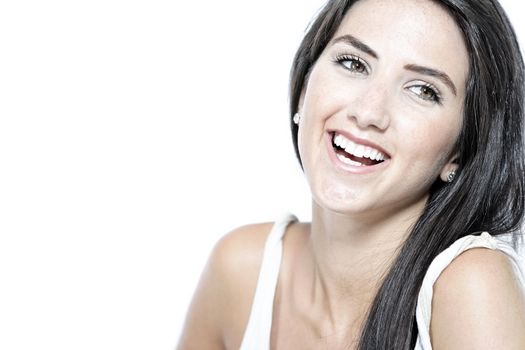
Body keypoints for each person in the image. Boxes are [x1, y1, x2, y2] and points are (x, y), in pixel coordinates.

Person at [177, 0, 525, 348]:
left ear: (459, 152)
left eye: (422, 90)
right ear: (304, 88)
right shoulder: (241, 270)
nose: (368, 111)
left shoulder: (471, 285)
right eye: (353, 63)